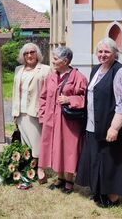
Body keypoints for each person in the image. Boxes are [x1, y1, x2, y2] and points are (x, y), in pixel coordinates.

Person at [76, 37, 122, 208]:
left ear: (115, 53)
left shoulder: (120, 71)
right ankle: (99, 191)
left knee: (111, 161)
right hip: (93, 124)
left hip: (110, 125)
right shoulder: (96, 69)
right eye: (100, 51)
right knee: (96, 158)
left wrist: (114, 128)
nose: (102, 55)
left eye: (107, 51)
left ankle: (113, 197)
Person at [38, 46, 88, 194]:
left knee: (68, 149)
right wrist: (42, 116)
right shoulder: (51, 76)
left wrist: (69, 99)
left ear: (65, 61)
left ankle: (69, 180)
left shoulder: (78, 77)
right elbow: (43, 97)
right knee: (55, 148)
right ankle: (60, 178)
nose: (53, 61)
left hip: (68, 122)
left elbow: (86, 99)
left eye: (55, 59)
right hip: (51, 120)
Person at [11, 43, 51, 184]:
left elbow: (50, 92)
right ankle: (29, 167)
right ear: (23, 56)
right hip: (20, 111)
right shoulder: (18, 70)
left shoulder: (46, 70)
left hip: (35, 110)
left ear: (37, 54)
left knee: (37, 141)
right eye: (26, 53)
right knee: (25, 142)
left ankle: (41, 169)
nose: (29, 55)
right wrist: (14, 111)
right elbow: (14, 91)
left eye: (32, 52)